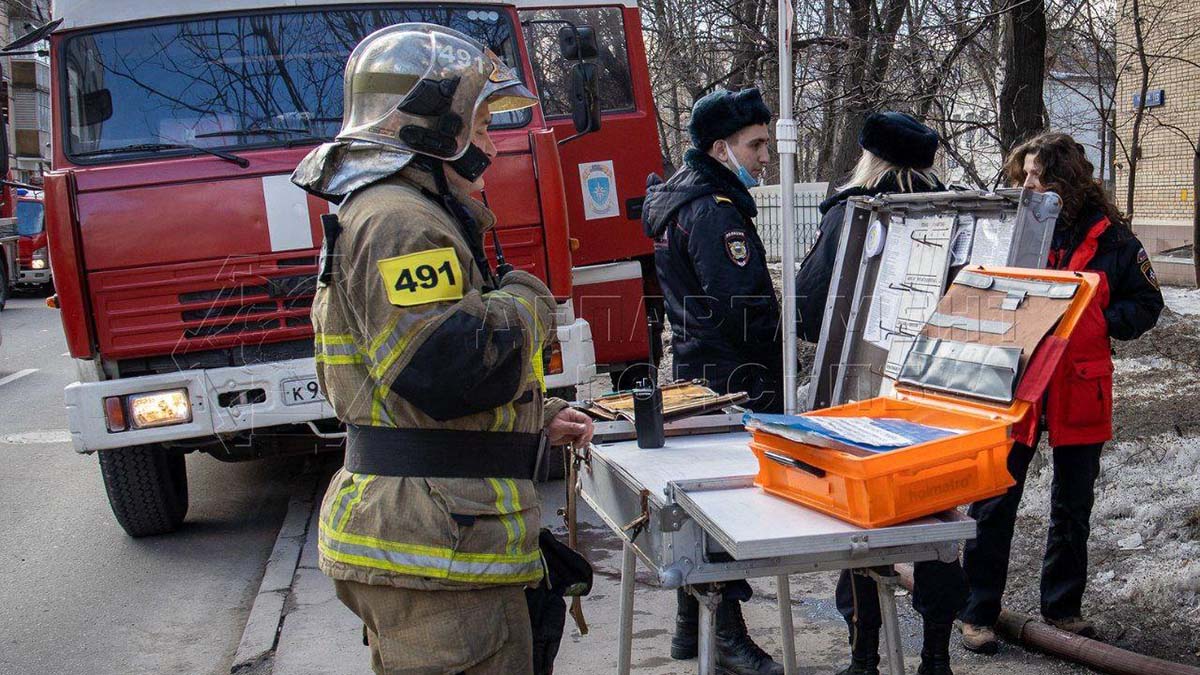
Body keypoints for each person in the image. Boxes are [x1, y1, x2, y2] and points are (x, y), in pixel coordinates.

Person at [292, 24, 593, 674]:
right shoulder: (402, 220)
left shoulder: (401, 211)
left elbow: (399, 376)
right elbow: (445, 365)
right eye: (480, 125)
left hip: (437, 536)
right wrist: (531, 303)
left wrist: (533, 419)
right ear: (431, 129)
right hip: (436, 545)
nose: (491, 145)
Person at [959, 132, 1164, 654]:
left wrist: (1096, 322)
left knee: (1073, 505)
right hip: (1017, 383)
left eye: (1037, 176)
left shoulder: (1115, 240)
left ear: (1066, 181)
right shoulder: (1013, 228)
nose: (1026, 184)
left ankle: (1063, 609)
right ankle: (977, 610)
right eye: (1023, 174)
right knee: (995, 498)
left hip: (1080, 386)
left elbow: (1147, 304)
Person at [795, 112, 966, 675]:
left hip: (860, 391)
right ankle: (936, 658)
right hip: (938, 395)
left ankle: (864, 656)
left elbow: (811, 306)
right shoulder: (957, 212)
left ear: (869, 158)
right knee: (938, 525)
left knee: (861, 527)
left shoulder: (852, 211)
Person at [641, 87, 784, 675]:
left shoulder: (685, 199)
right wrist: (783, 341)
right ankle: (725, 636)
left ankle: (687, 626)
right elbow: (742, 305)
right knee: (725, 509)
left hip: (701, 367)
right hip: (732, 374)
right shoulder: (713, 208)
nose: (765, 157)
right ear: (721, 148)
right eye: (756, 145)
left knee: (701, 503)